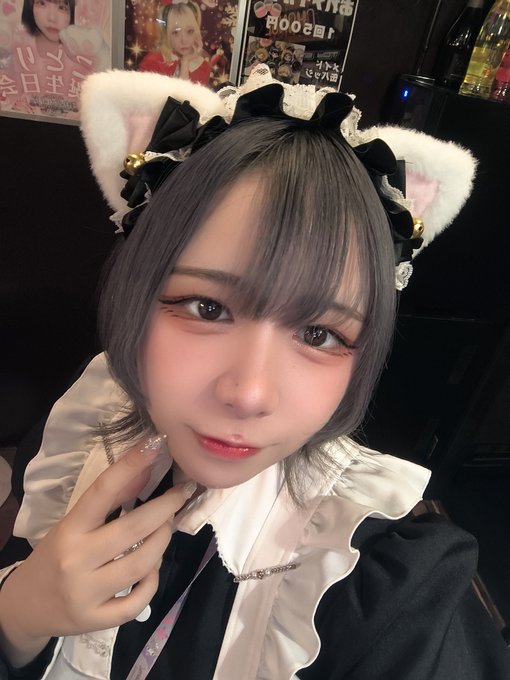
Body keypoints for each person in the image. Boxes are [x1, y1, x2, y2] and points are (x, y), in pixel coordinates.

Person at [0, 65, 509, 679]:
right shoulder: (82, 429)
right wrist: (17, 618)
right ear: (137, 293)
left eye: (319, 335)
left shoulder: (389, 590)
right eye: (207, 308)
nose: (249, 393)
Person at [2, 0, 108, 117]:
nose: (52, 18)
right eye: (42, 3)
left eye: (62, 8)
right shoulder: (15, 51)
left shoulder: (84, 59)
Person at [139, 0, 210, 86]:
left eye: (190, 31)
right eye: (176, 32)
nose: (184, 40)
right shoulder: (153, 62)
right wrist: (185, 64)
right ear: (166, 34)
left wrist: (185, 62)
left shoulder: (202, 66)